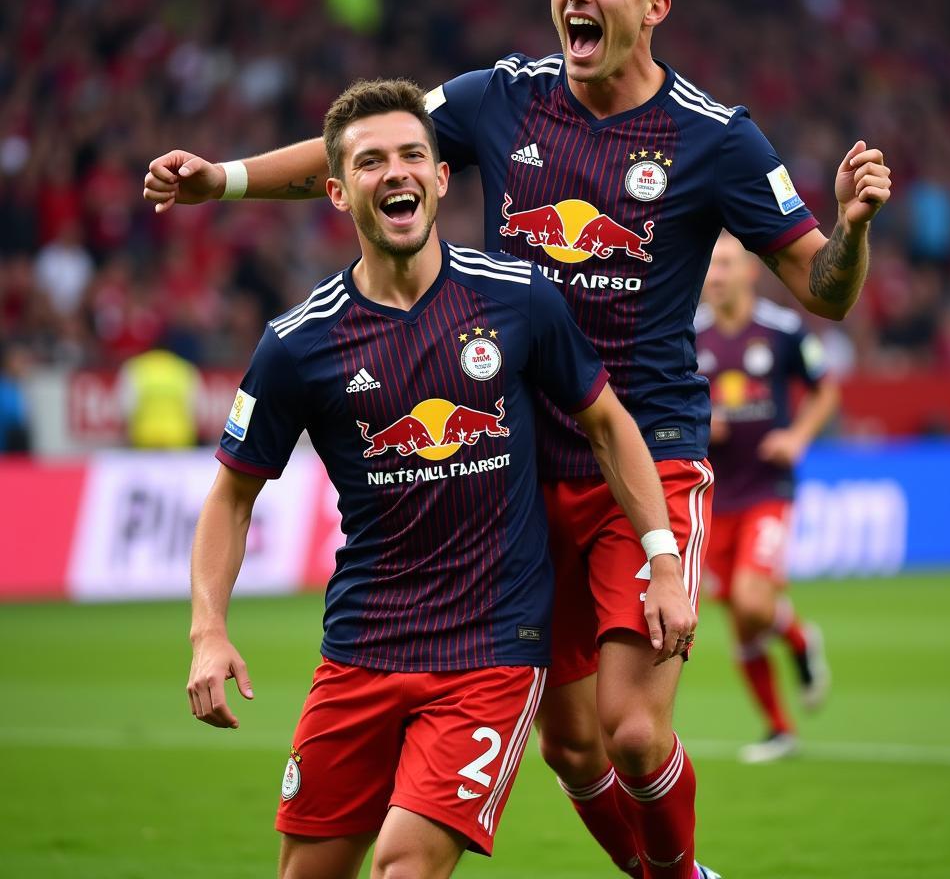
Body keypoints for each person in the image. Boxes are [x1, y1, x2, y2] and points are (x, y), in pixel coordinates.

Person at [150, 0, 891, 879]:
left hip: (646, 456)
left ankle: (680, 875)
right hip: (521, 480)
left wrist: (851, 230)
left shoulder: (717, 139)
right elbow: (362, 152)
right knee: (571, 746)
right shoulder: (498, 99)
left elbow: (823, 290)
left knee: (631, 732)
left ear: (655, 6)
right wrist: (224, 181)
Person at [187, 78, 699, 879]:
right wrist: (208, 632)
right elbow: (232, 493)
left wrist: (662, 559)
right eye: (370, 162)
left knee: (404, 865)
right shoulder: (297, 344)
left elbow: (608, 425)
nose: (395, 173)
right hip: (360, 647)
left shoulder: (520, 299)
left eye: (412, 156)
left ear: (440, 177)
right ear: (335, 189)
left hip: (490, 651)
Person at [695, 233, 839, 762]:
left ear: (751, 272)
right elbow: (666, 403)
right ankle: (779, 728)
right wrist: (702, 423)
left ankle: (799, 641)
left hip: (767, 490)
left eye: (727, 264)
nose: (717, 275)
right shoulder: (688, 337)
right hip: (711, 495)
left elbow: (825, 389)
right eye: (711, 266)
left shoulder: (782, 331)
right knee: (739, 615)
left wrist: (797, 438)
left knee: (753, 602)